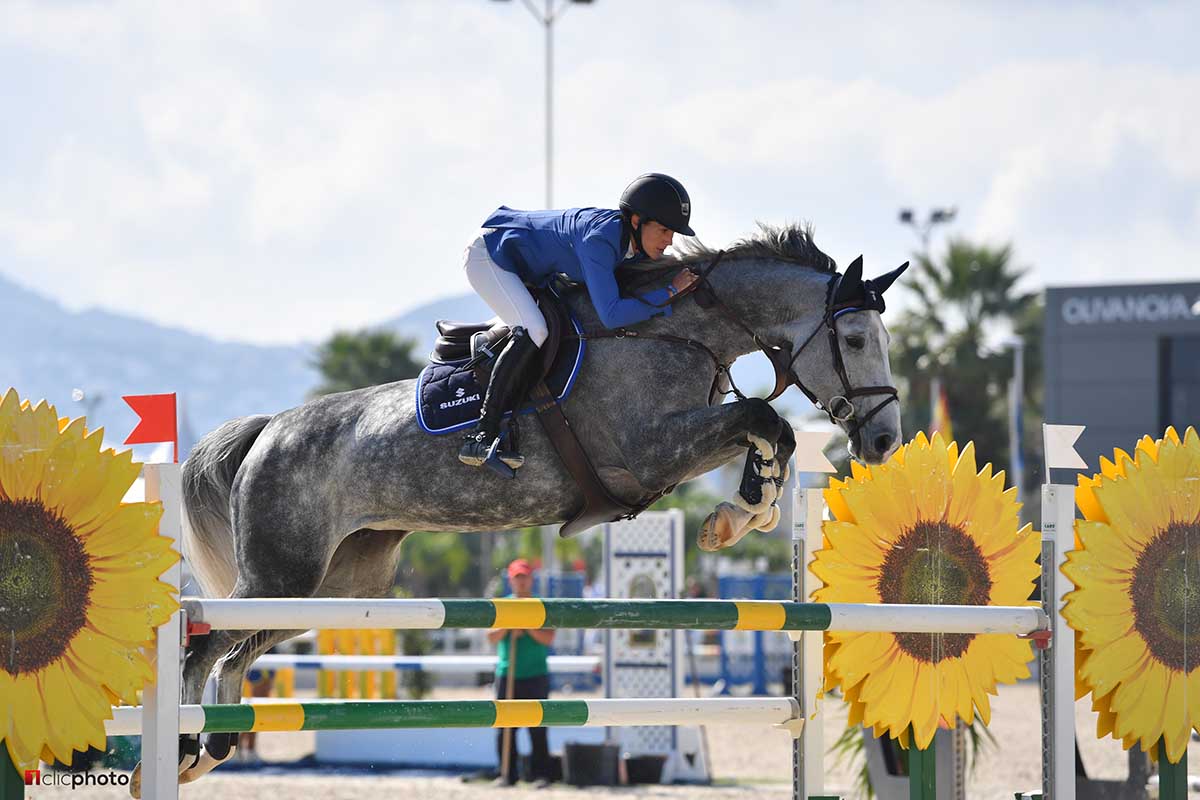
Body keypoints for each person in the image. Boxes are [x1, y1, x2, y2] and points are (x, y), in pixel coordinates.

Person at [459, 173, 701, 473]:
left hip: (527, 267)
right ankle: (482, 433)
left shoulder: (625, 240)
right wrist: (669, 293)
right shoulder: (600, 240)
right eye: (664, 230)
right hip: (489, 257)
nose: (669, 241)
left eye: (673, 233)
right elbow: (611, 315)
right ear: (637, 221)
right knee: (535, 329)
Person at [487, 558, 555, 788]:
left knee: (538, 727)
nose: (521, 582)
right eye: (517, 578)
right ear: (511, 580)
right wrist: (509, 625)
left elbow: (548, 638)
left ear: (530, 579)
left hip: (535, 674)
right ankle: (507, 773)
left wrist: (525, 626)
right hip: (508, 673)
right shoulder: (502, 604)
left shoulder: (540, 604)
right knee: (505, 727)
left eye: (524, 577)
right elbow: (491, 636)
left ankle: (542, 774)